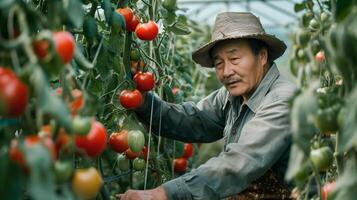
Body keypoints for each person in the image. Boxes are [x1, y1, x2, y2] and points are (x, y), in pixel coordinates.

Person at [117, 12, 297, 200]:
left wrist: (164, 193)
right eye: (219, 63)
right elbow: (191, 121)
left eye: (234, 59)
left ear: (262, 56)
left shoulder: (283, 101)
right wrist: (142, 100)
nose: (227, 71)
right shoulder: (232, 96)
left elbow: (240, 162)